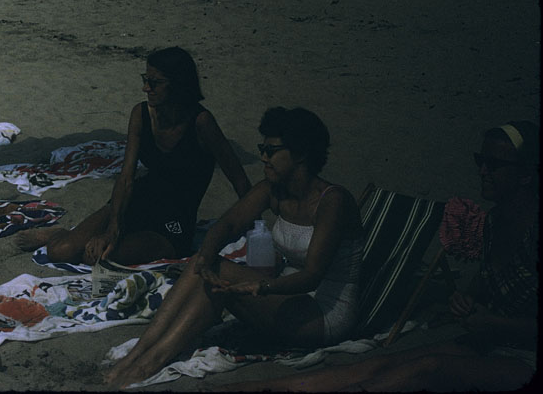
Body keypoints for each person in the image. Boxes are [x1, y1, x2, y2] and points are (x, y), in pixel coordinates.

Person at [227, 120, 538, 392]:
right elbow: (483, 286)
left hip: (527, 357)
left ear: (526, 174)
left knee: (426, 369)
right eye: (480, 160)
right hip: (492, 339)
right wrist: (466, 301)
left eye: (494, 165)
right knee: (374, 366)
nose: (483, 171)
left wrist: (492, 321)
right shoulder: (494, 222)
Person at [105, 107, 364, 388]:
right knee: (203, 263)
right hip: (288, 298)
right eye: (262, 149)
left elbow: (313, 275)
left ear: (301, 154)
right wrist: (205, 258)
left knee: (222, 276)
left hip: (324, 314)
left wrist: (262, 287)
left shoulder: (331, 202)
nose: (263, 157)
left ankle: (150, 362)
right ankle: (140, 353)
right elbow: (227, 224)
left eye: (271, 151)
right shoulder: (274, 190)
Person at [15, 47, 251, 265]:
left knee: (96, 257)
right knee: (61, 251)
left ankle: (85, 235)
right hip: (137, 201)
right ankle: (61, 234)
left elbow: (238, 178)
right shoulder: (141, 114)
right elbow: (126, 177)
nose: (146, 88)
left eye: (155, 83)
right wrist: (113, 228)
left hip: (173, 222)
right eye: (145, 80)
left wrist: (254, 227)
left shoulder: (201, 123)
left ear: (178, 84)